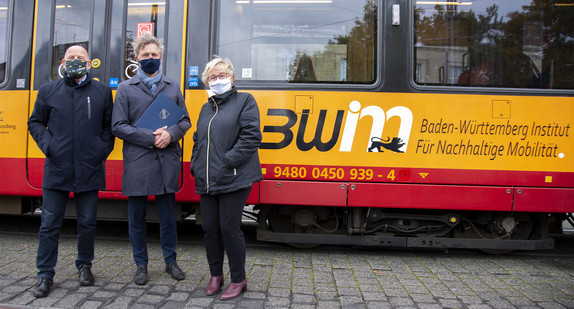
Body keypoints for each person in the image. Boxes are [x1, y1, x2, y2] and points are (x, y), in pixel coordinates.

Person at [27, 45, 115, 297]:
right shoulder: (48, 90)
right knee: (49, 224)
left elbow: (108, 127)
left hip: (89, 168)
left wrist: (101, 150)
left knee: (87, 223)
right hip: (57, 169)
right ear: (63, 63)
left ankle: (85, 266)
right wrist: (49, 145)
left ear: (89, 64)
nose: (76, 61)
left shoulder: (101, 91)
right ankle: (45, 275)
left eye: (81, 58)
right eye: (71, 58)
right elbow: (35, 122)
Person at [111, 33, 191, 285]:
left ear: (160, 57)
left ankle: (171, 261)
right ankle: (141, 265)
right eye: (145, 55)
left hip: (166, 159)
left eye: (154, 55)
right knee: (137, 218)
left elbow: (185, 121)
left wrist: (171, 134)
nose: (150, 59)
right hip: (138, 161)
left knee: (168, 217)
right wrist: (151, 137)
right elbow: (118, 126)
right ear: (136, 58)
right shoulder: (125, 88)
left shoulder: (173, 86)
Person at [190, 56, 263, 300]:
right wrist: (196, 165)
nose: (218, 80)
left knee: (229, 228)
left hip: (234, 176)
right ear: (207, 82)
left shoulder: (245, 101)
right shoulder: (206, 107)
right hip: (208, 178)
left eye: (222, 75)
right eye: (213, 77)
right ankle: (215, 275)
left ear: (231, 78)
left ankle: (238, 279)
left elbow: (251, 136)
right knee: (210, 228)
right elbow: (198, 139)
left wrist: (228, 160)